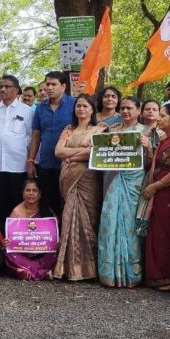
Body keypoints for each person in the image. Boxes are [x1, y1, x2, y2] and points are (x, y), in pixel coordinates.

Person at [98, 96, 152, 288]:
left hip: (133, 182)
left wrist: (148, 148)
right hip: (112, 180)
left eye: (129, 108)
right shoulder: (112, 131)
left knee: (129, 225)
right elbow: (101, 156)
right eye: (123, 108)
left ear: (138, 110)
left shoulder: (146, 131)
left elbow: (152, 163)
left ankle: (132, 274)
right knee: (109, 219)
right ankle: (109, 273)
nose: (125, 111)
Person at [54, 94, 107, 280]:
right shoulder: (68, 130)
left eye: (85, 106)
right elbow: (58, 151)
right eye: (78, 106)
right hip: (69, 178)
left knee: (88, 220)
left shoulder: (99, 129)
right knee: (69, 217)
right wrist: (81, 152)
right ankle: (70, 267)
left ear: (92, 109)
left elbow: (95, 153)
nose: (81, 109)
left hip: (88, 180)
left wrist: (71, 156)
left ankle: (89, 268)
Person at [139, 103, 170, 290]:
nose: (158, 119)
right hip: (160, 194)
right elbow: (158, 163)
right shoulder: (166, 138)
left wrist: (155, 186)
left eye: (162, 116)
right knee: (157, 233)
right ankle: (156, 276)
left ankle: (168, 277)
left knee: (167, 235)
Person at [27, 71, 75, 218]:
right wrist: (31, 161)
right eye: (48, 84)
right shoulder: (40, 108)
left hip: (69, 164)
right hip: (46, 164)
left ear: (63, 86)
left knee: (67, 205)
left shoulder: (75, 104)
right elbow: (36, 135)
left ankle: (67, 232)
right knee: (47, 204)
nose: (49, 88)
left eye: (54, 84)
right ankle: (50, 232)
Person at [0, 75, 34, 222]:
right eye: (1, 86)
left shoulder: (26, 110)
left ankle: (16, 232)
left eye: (7, 86)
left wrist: (31, 161)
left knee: (17, 203)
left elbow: (32, 136)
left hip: (18, 166)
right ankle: (0, 234)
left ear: (16, 90)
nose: (3, 89)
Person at [2, 179, 56, 280]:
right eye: (28, 190)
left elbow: (53, 234)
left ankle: (29, 272)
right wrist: (7, 241)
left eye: (34, 190)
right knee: (8, 252)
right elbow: (12, 237)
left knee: (56, 250)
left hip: (42, 251)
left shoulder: (46, 211)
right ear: (23, 194)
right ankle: (42, 272)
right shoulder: (17, 212)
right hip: (23, 253)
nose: (31, 193)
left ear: (39, 194)